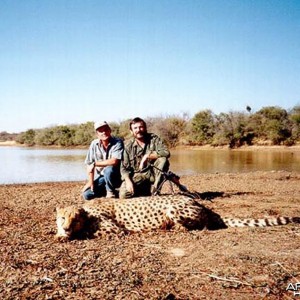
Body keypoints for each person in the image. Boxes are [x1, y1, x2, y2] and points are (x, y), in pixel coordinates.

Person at [120, 117, 170, 198]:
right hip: (137, 175)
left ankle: (156, 191)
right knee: (123, 195)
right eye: (135, 128)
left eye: (141, 127)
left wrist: (147, 156)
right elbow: (124, 168)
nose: (138, 130)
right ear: (131, 131)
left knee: (163, 160)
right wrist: (128, 181)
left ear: (145, 128)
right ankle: (143, 189)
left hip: (153, 173)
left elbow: (166, 152)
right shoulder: (128, 146)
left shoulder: (154, 139)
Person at [82, 121, 123, 200]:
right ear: (97, 134)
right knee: (87, 195)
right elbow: (89, 163)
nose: (104, 132)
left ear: (110, 130)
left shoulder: (118, 142)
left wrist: (95, 164)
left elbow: (114, 161)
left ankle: (110, 192)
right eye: (101, 131)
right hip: (103, 177)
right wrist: (91, 182)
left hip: (117, 176)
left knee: (109, 169)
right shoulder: (94, 144)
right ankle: (112, 191)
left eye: (106, 129)